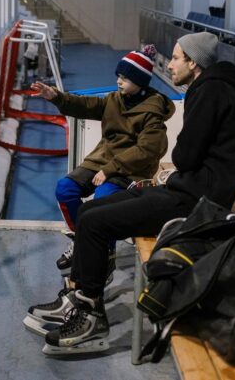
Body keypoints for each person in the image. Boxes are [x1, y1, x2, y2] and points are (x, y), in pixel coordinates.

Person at [28, 32, 235, 356]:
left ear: (193, 61)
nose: (170, 64)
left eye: (175, 57)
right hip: (186, 190)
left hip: (196, 204)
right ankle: (78, 300)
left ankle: (91, 317)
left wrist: (181, 158)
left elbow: (184, 156)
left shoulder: (210, 92)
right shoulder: (211, 89)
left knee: (95, 221)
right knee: (90, 213)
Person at [29, 45, 174, 282]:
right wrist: (56, 96)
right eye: (118, 76)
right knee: (65, 189)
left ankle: (102, 252)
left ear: (140, 81)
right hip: (102, 161)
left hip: (130, 169)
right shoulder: (114, 100)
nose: (119, 81)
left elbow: (148, 150)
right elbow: (86, 106)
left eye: (125, 78)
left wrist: (110, 169)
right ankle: (83, 240)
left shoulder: (152, 112)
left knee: (102, 201)